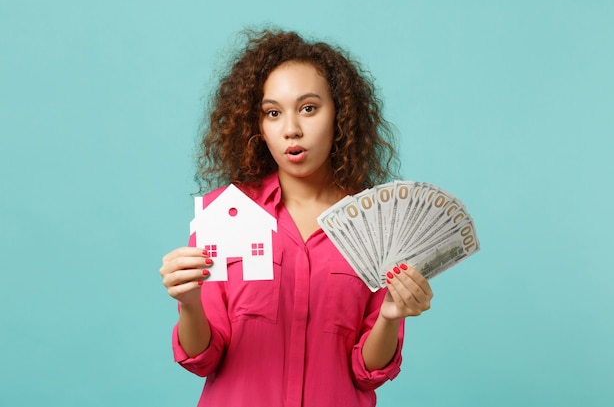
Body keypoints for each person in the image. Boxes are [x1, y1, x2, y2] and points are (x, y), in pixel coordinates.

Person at [159, 28, 434, 407]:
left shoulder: (377, 226)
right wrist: (189, 303)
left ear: (339, 114)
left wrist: (389, 316)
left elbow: (368, 372)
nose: (291, 129)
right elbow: (203, 358)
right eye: (273, 113)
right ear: (257, 127)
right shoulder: (224, 214)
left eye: (308, 108)